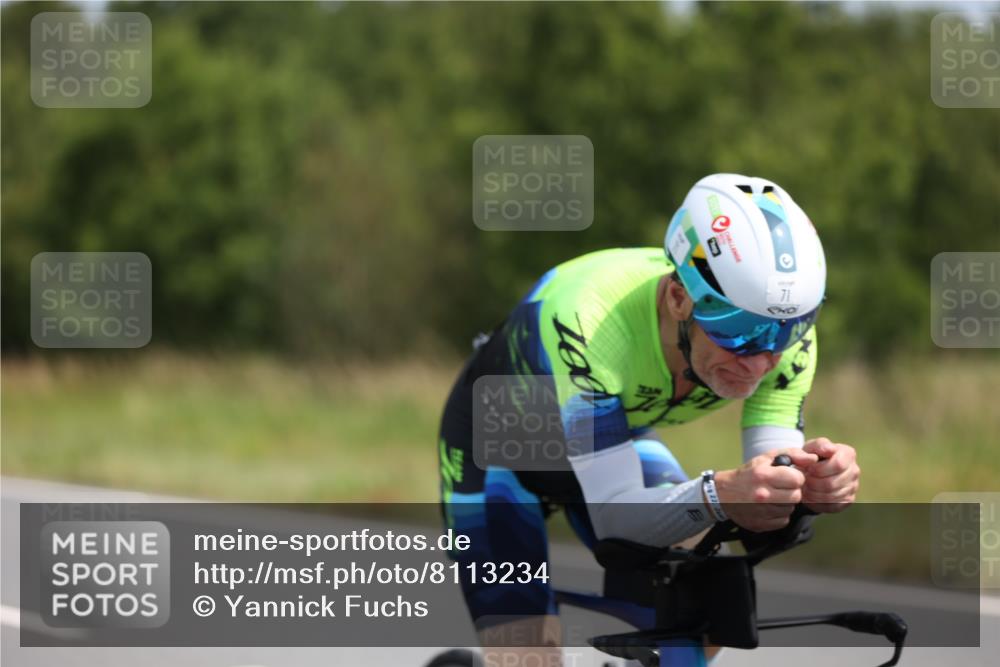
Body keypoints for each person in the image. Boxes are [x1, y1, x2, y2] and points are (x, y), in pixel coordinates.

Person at [436, 173, 861, 665]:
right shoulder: (589, 319)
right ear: (678, 298)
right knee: (527, 654)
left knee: (705, 614)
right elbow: (616, 518)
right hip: (496, 451)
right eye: (737, 331)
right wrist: (719, 494)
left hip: (611, 436)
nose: (762, 360)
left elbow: (770, 486)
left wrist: (809, 488)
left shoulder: (780, 331)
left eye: (786, 331)